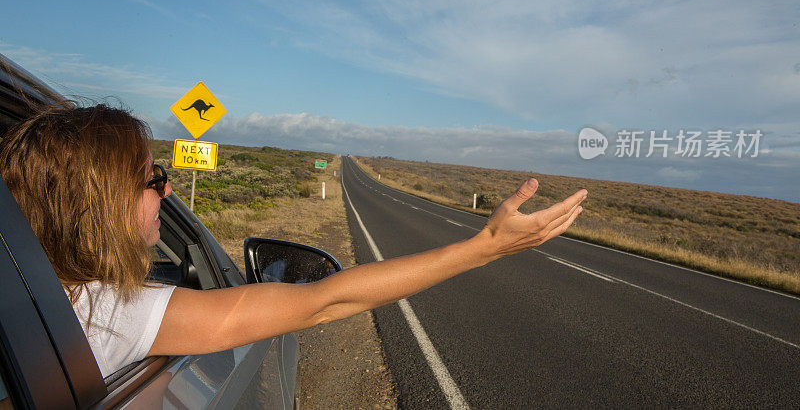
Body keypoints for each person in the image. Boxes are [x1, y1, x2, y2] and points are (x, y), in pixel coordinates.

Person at [0, 102, 587, 378]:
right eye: (154, 178)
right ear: (99, 202)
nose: (170, 192)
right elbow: (325, 299)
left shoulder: (41, 306)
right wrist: (485, 246)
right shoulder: (109, 313)